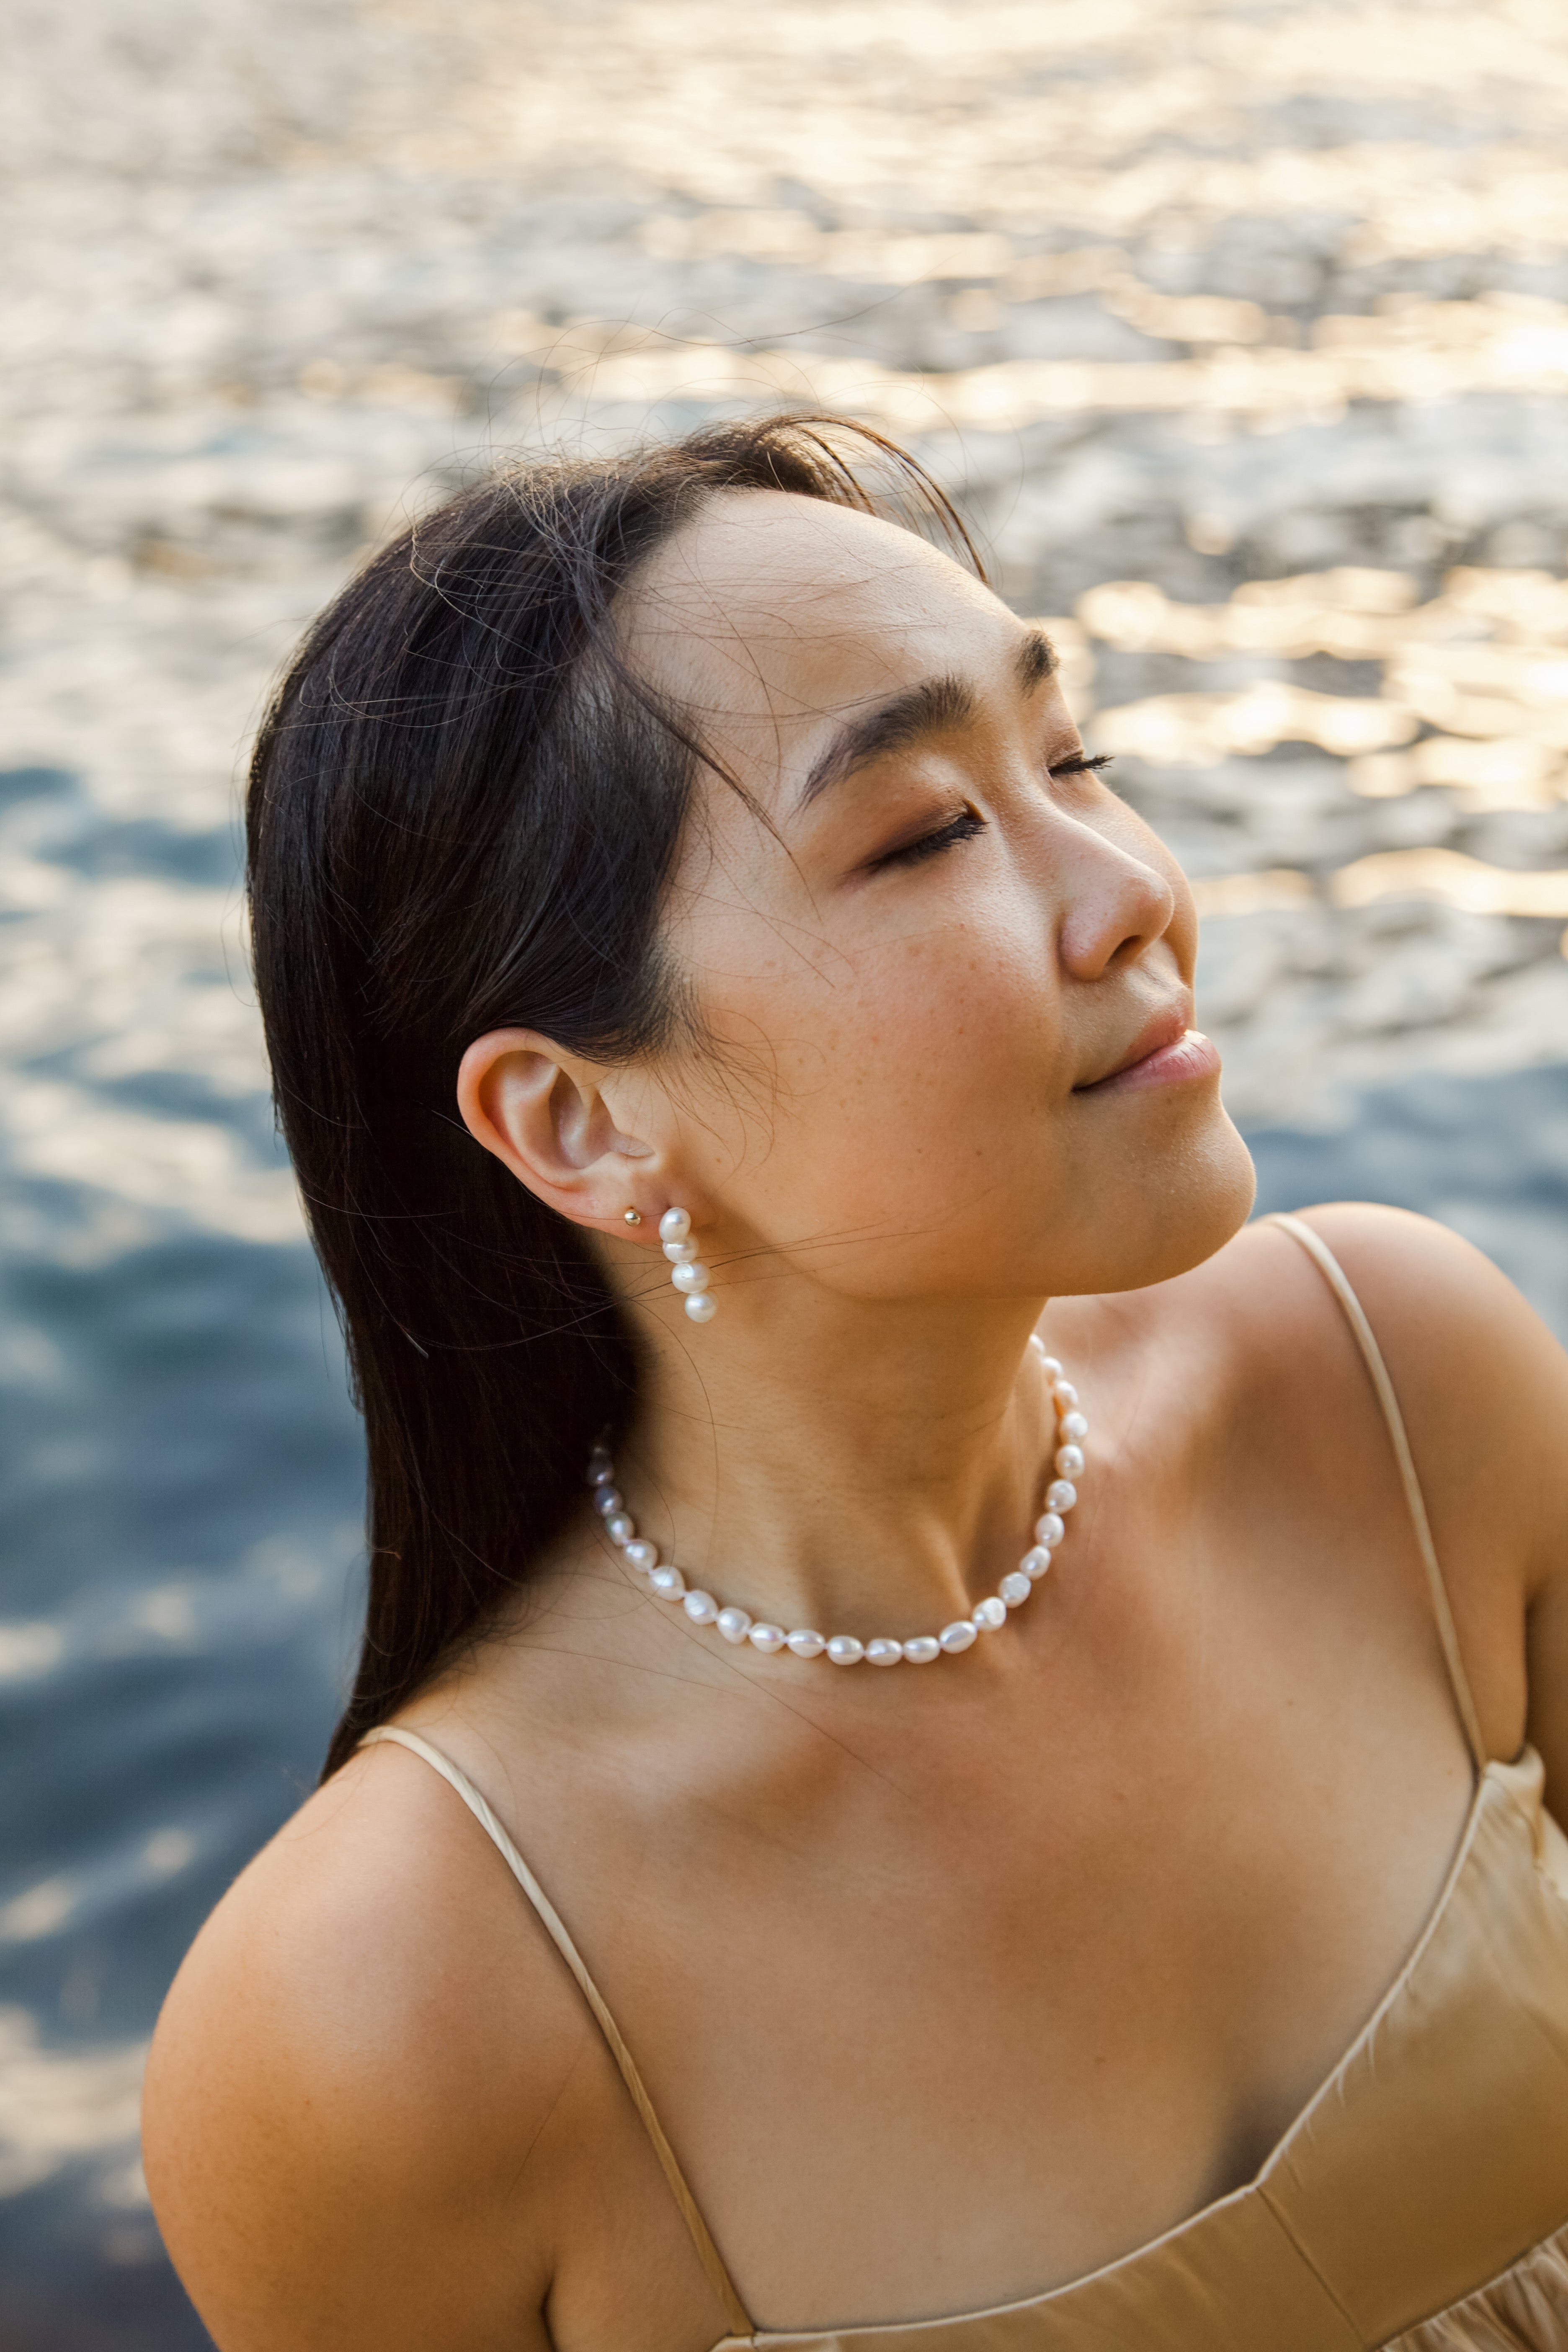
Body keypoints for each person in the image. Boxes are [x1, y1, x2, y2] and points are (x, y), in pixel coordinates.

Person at [142, 417, 1568, 2350]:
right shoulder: (403, 2001)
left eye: (1072, 760)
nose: (1130, 891)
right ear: (575, 1120)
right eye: (922, 833)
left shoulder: (1406, 1396)